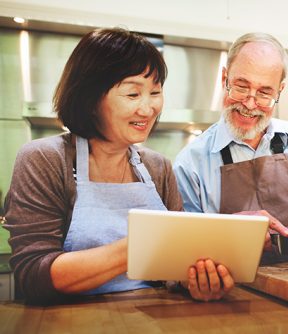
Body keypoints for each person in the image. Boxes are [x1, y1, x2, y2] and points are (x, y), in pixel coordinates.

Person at [3, 28, 233, 305]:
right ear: (91, 98)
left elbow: (173, 268)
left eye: (155, 92)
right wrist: (139, 245)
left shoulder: (157, 167)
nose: (148, 109)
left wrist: (194, 281)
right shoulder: (45, 159)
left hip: (151, 318)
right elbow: (33, 275)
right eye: (133, 94)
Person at [173, 32, 288, 262]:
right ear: (225, 79)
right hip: (231, 289)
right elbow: (183, 246)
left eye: (264, 92)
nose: (250, 104)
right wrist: (228, 232)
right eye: (241, 87)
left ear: (279, 91)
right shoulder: (190, 162)